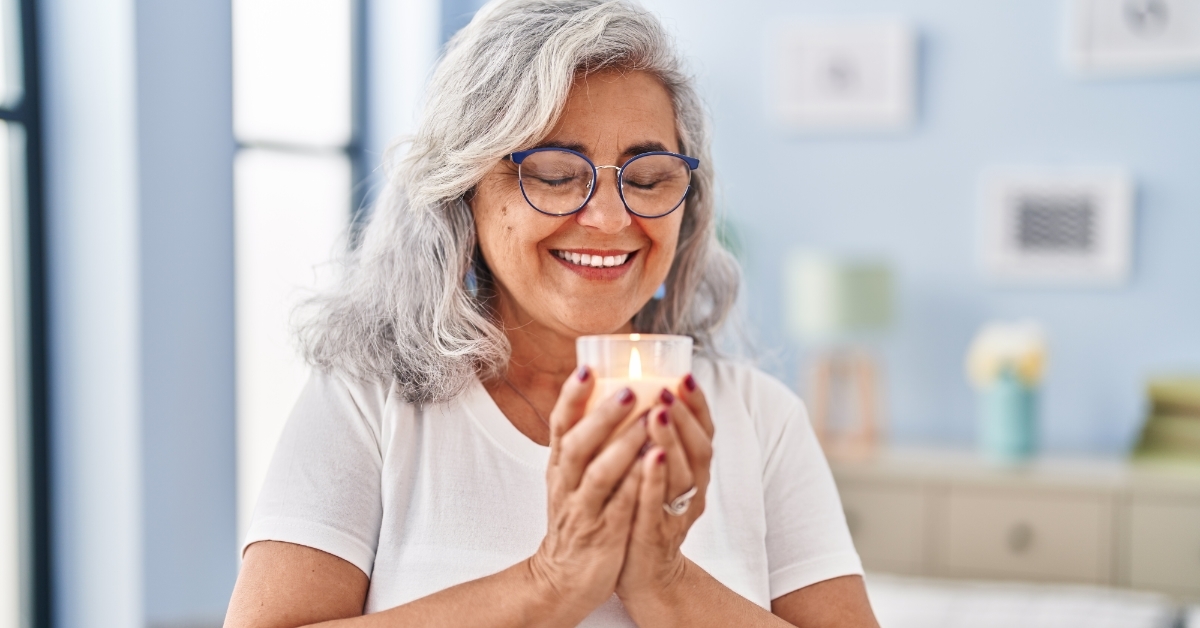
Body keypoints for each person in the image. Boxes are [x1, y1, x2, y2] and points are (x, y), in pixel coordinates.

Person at [225, 1, 878, 626]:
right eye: (556, 174)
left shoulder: (762, 421)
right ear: (465, 192)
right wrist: (554, 579)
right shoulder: (365, 405)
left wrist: (666, 581)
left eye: (647, 178)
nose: (610, 218)